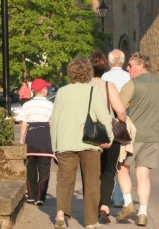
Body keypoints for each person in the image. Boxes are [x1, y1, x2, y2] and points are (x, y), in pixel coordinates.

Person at [51, 57, 114, 229]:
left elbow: (54, 120)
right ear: (89, 73)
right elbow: (104, 118)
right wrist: (109, 138)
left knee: (65, 180)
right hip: (90, 143)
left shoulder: (62, 92)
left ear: (71, 73)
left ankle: (60, 214)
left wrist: (54, 146)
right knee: (92, 181)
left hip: (65, 142)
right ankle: (91, 221)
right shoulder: (94, 91)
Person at [116, 53, 159, 227]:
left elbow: (119, 108)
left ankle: (128, 203)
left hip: (131, 136)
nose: (127, 68)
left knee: (122, 167)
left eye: (130, 65)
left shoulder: (132, 84)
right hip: (151, 135)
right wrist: (154, 113)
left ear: (140, 65)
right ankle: (142, 213)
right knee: (143, 174)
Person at [89, 50, 128, 224]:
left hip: (87, 133)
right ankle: (105, 205)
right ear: (104, 66)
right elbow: (120, 111)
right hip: (107, 132)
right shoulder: (108, 85)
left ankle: (91, 206)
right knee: (108, 171)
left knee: (90, 172)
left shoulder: (82, 86)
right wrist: (122, 123)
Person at [17, 77, 56, 206]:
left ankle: (31, 195)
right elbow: (53, 124)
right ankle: (40, 196)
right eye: (46, 88)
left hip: (31, 139)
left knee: (31, 170)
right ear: (43, 91)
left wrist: (22, 140)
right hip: (45, 138)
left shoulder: (27, 105)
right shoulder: (51, 105)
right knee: (44, 169)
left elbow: (24, 123)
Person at [102, 48, 130, 207]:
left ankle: (107, 195)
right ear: (123, 62)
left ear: (109, 61)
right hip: (124, 121)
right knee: (122, 161)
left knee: (107, 162)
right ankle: (119, 198)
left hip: (106, 122)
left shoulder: (104, 78)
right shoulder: (129, 77)